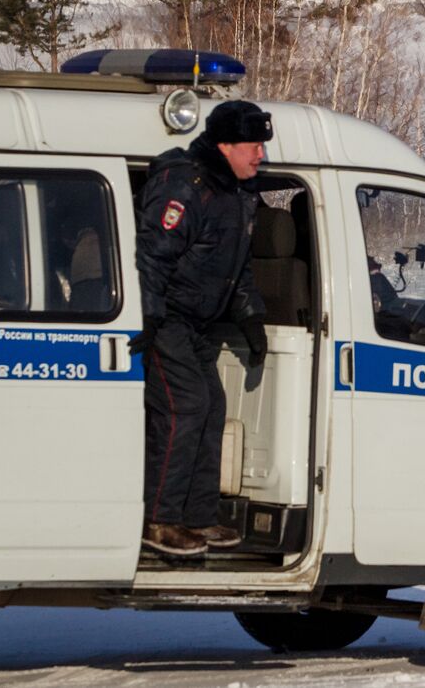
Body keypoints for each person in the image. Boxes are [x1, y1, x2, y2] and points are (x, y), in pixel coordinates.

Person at [131, 100, 273, 557]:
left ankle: (198, 517)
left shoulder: (238, 192)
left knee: (212, 405)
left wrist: (251, 316)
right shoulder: (187, 186)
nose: (261, 156)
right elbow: (152, 257)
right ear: (226, 145)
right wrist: (149, 317)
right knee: (185, 407)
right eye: (254, 146)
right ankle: (160, 520)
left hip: (198, 323)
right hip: (168, 317)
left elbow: (237, 267)